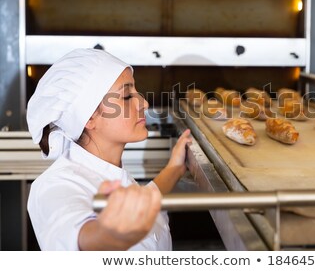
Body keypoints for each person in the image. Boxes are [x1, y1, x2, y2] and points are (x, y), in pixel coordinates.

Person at [26, 48, 192, 250]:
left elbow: (146, 200)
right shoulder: (54, 186)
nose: (144, 103)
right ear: (89, 118)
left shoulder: (112, 174)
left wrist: (174, 169)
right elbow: (81, 236)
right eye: (127, 96)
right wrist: (110, 233)